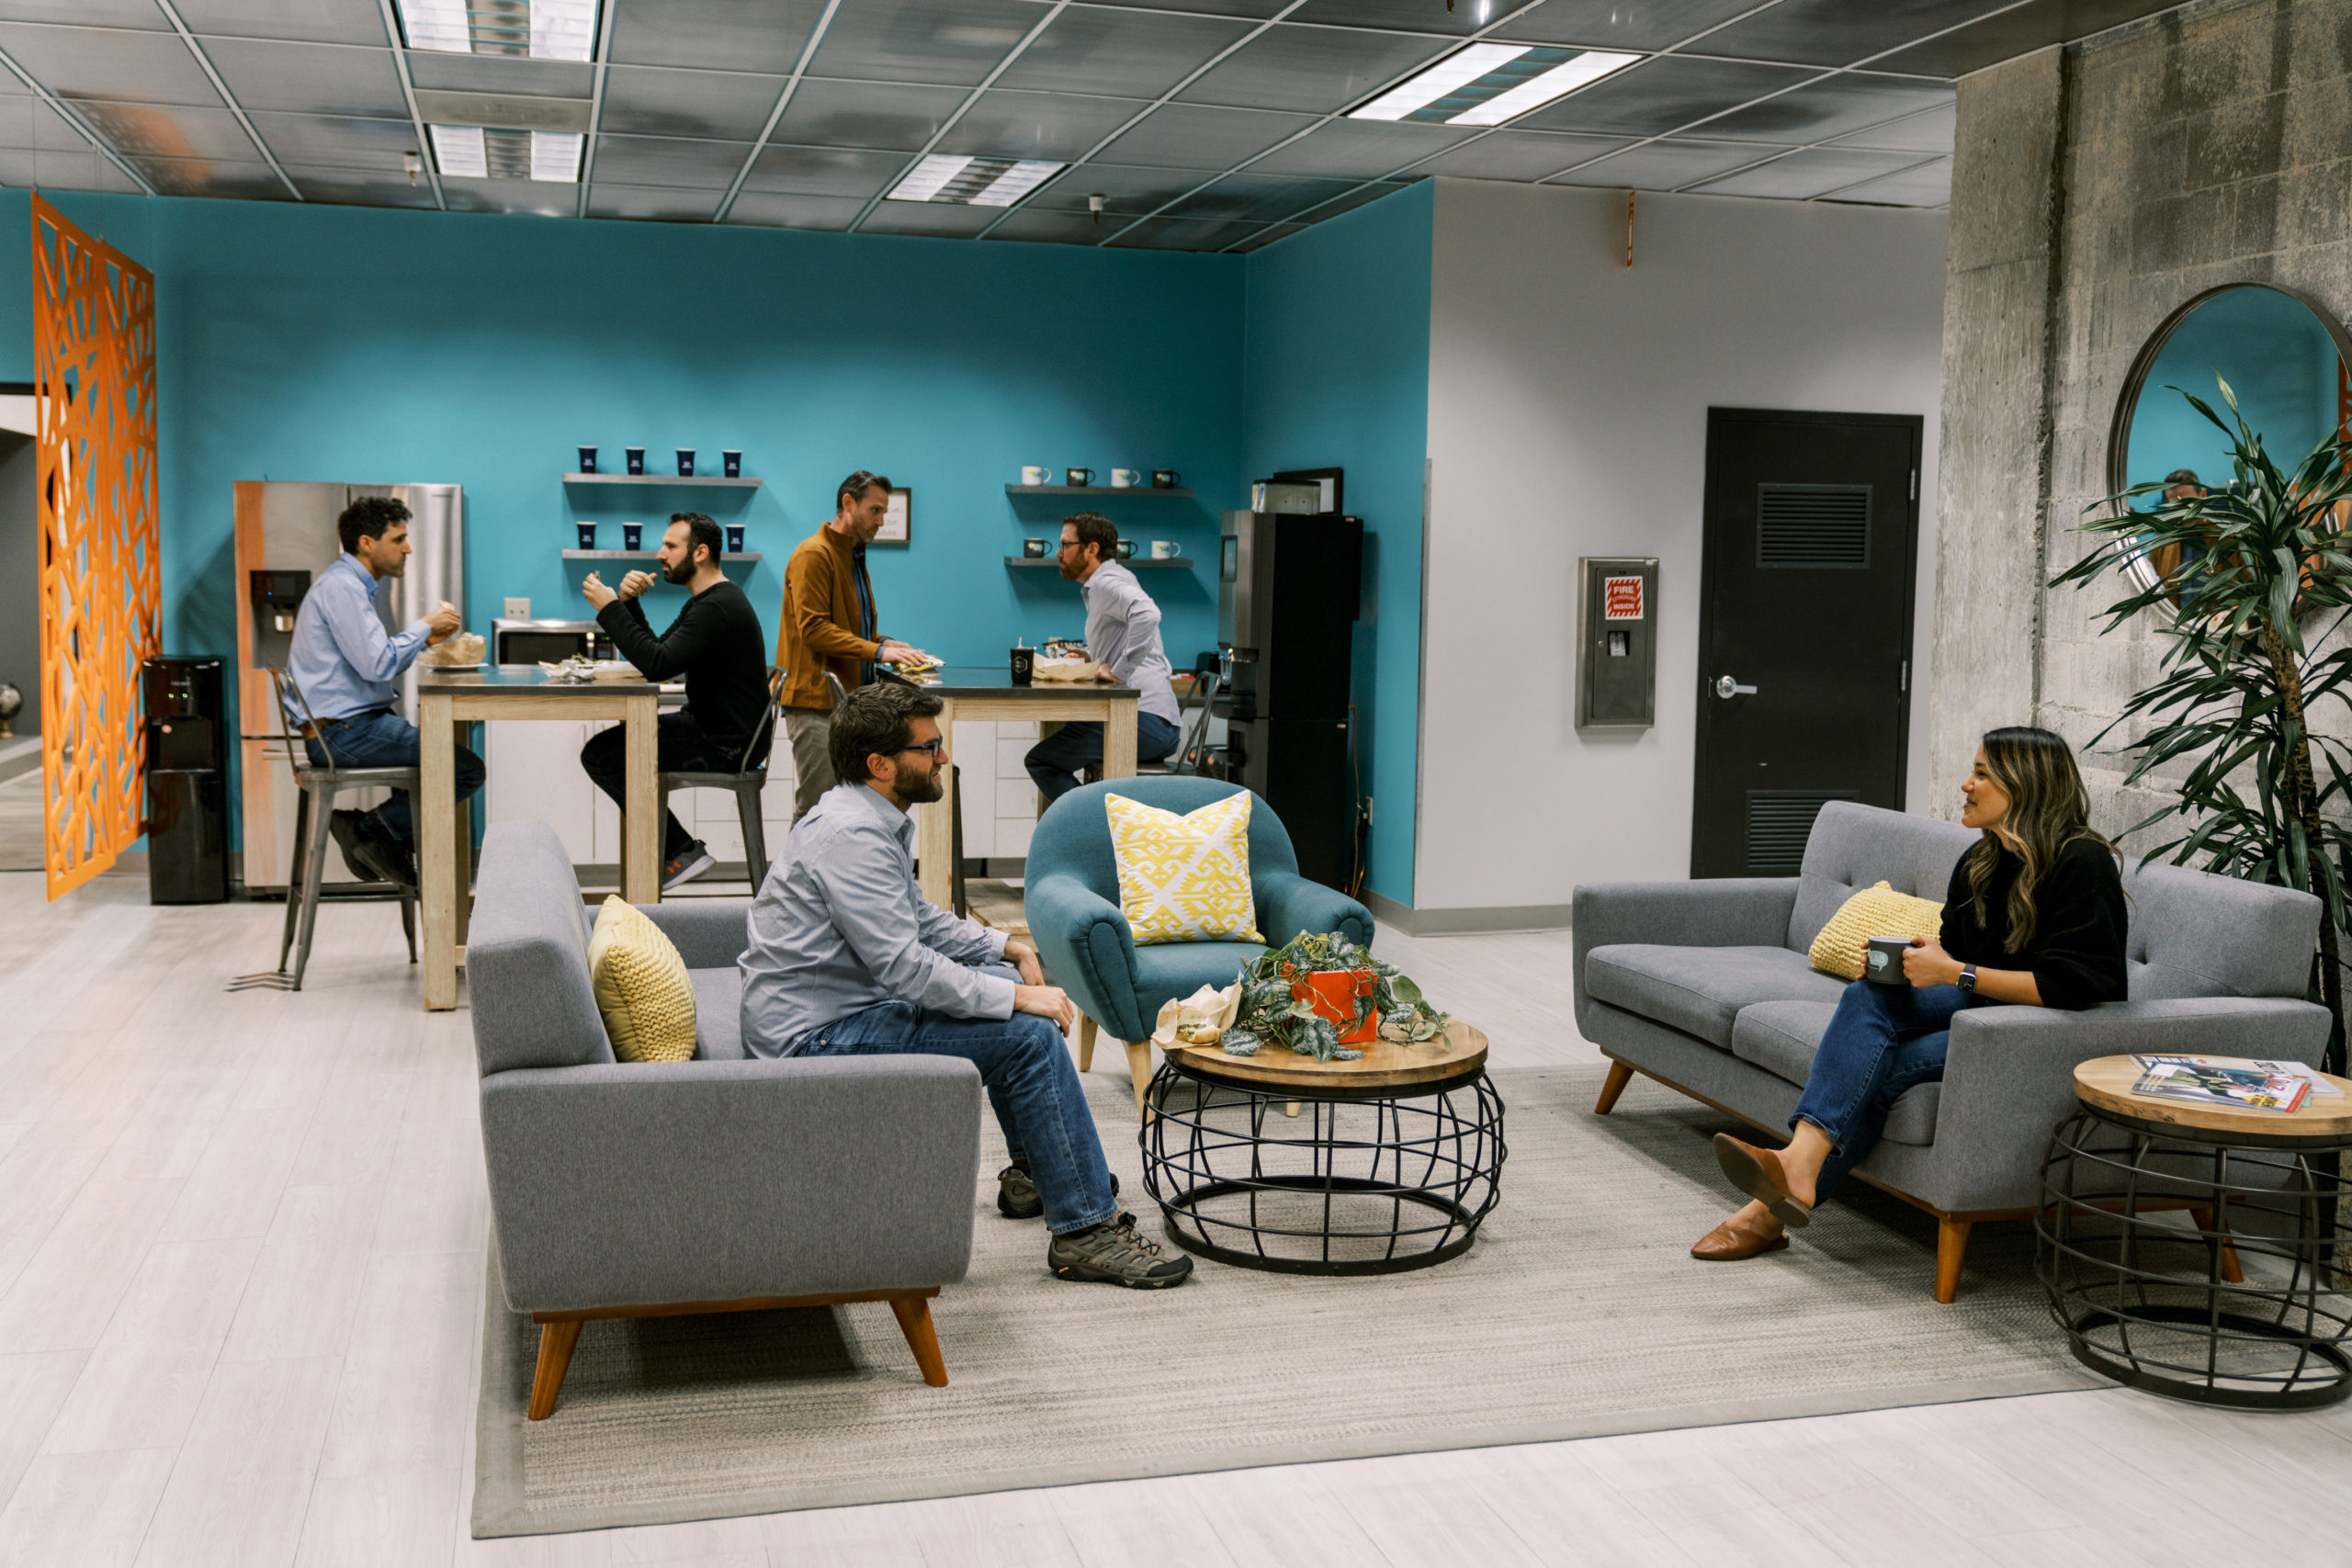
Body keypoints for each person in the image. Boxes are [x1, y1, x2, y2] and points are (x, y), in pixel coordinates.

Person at [739, 682, 1192, 1290]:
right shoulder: (851, 834)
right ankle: (1086, 1230)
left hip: (831, 1010)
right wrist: (1017, 997)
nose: (943, 757)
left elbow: (915, 920)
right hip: (814, 1036)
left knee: (1004, 986)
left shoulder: (865, 814)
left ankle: (1039, 1168)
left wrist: (1005, 947)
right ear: (880, 764)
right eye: (929, 747)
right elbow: (904, 967)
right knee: (1027, 1034)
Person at [1692, 726, 2128, 1262]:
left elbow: (2074, 984)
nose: (1965, 784)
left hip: (2037, 1030)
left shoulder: (2082, 862)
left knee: (1881, 1073)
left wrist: (1954, 974)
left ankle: (1767, 1209)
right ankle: (1797, 1169)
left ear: (2026, 784)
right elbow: (1958, 949)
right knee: (1866, 996)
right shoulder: (1982, 860)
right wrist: (1915, 962)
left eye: (1982, 774)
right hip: (1981, 1008)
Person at [285, 494, 479, 891]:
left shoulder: (347, 586)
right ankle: (368, 831)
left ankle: (388, 844)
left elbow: (374, 663)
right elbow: (377, 665)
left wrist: (423, 641)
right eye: (398, 539)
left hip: (345, 727)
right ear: (366, 543)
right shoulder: (343, 588)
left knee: (441, 764)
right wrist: (424, 626)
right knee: (465, 769)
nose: (407, 548)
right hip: (343, 733)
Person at [578, 512, 773, 892]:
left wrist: (610, 608)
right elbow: (661, 654)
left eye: (670, 546)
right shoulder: (710, 601)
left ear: (700, 553)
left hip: (723, 745)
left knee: (601, 755)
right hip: (719, 733)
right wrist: (629, 603)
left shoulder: (717, 607)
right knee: (612, 749)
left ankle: (681, 851)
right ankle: (675, 851)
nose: (660, 553)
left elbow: (656, 664)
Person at [775, 470, 928, 825]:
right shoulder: (814, 554)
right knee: (816, 808)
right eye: (875, 510)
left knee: (846, 810)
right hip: (815, 703)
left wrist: (883, 641)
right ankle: (792, 882)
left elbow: (846, 628)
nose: (881, 521)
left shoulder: (852, 556)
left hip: (843, 704)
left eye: (884, 512)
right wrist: (877, 652)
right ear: (847, 503)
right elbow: (814, 629)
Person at [1023, 513, 1182, 803]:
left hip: (1145, 723)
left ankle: (1096, 830)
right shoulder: (1111, 579)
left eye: (1065, 545)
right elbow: (1125, 631)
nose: (1058, 553)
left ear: (1091, 549)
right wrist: (1091, 657)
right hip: (1155, 722)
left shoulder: (1106, 582)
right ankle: (1098, 825)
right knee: (1061, 743)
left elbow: (1148, 615)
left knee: (1041, 761)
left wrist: (1120, 671)